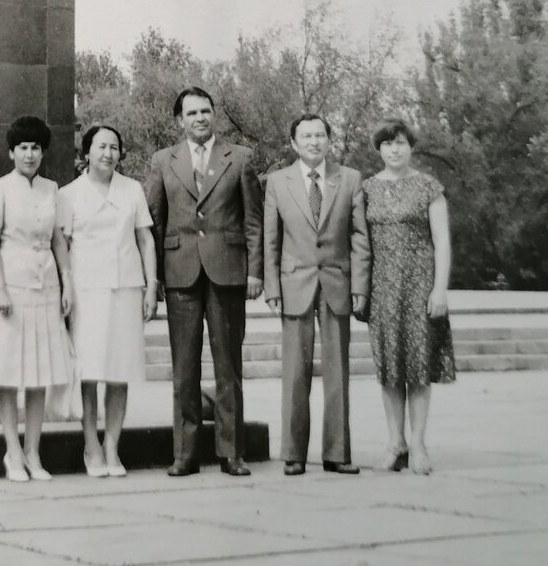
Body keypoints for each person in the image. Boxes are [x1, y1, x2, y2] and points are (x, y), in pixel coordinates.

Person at [145, 87, 263, 478]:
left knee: (228, 365)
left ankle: (232, 452)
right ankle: (186, 454)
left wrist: (255, 272)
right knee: (184, 367)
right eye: (192, 113)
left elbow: (253, 222)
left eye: (206, 111)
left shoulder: (240, 158)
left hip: (227, 273)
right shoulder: (163, 161)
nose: (200, 118)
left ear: (215, 116)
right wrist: (156, 280)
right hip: (181, 273)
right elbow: (155, 222)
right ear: (179, 120)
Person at [264, 113, 370, 476]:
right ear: (293, 143)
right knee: (295, 372)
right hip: (295, 284)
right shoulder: (278, 182)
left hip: (337, 282)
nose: (314, 142)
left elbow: (359, 237)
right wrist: (272, 287)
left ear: (329, 140)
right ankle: (293, 453)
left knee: (338, 373)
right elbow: (271, 240)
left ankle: (337, 453)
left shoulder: (351, 179)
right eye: (306, 136)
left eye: (320, 135)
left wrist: (359, 285)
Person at [58, 124, 158, 477]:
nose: (108, 153)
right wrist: (66, 288)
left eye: (114, 147)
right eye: (101, 147)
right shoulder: (69, 194)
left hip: (126, 289)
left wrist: (151, 286)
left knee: (120, 371)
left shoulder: (131, 190)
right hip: (88, 292)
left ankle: (113, 446)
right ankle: (91, 445)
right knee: (89, 371)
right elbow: (63, 247)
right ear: (86, 152)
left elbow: (145, 240)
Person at [0, 115, 74, 483]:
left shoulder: (53, 189)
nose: (30, 154)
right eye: (23, 147)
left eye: (36, 147)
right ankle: (12, 452)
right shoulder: (0, 188)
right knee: (9, 371)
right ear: (11, 152)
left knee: (39, 372)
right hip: (12, 283)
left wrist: (67, 281)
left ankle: (34, 452)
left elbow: (58, 241)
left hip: (46, 285)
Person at [364, 118, 456, 474]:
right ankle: (395, 443)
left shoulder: (428, 187)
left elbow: (442, 241)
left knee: (418, 368)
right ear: (379, 149)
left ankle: (417, 443)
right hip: (382, 289)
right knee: (389, 368)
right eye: (387, 144)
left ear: (411, 146)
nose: (394, 149)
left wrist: (440, 289)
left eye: (401, 143)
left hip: (420, 287)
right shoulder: (367, 188)